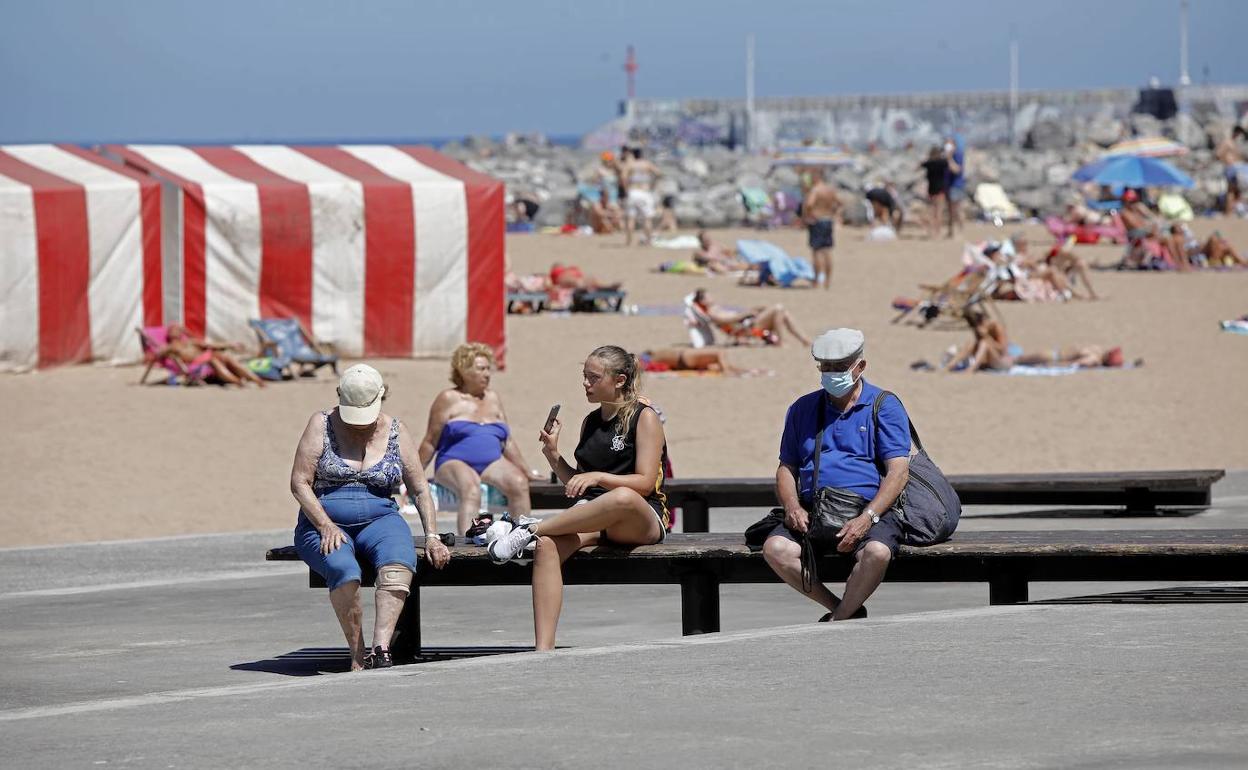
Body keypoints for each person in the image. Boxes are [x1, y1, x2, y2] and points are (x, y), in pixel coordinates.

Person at [486, 345, 670, 650]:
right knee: (547, 547)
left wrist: (598, 477)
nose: (585, 383)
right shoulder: (591, 422)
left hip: (641, 517)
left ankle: (529, 529)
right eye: (584, 376)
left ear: (620, 380)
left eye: (593, 378)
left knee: (622, 496)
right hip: (596, 515)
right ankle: (542, 650)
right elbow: (578, 483)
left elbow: (646, 483)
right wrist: (553, 455)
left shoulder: (644, 417)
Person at [290, 364, 450, 670]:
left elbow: (419, 489)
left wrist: (432, 535)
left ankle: (381, 646)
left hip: (379, 516)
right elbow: (299, 482)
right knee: (343, 568)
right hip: (325, 516)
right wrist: (324, 524)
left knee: (398, 561)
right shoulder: (320, 424)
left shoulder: (395, 430)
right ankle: (357, 652)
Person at [760, 329, 913, 621]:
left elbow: (898, 472)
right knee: (775, 548)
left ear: (861, 366)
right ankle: (840, 608)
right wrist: (792, 507)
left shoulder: (884, 405)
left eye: (840, 367)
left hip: (871, 509)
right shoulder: (803, 408)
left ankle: (841, 616)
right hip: (814, 508)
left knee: (877, 553)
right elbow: (786, 467)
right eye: (826, 367)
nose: (832, 374)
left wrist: (867, 518)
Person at [419, 343, 544, 535]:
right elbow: (430, 440)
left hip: (492, 461)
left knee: (519, 482)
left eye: (488, 369)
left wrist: (526, 470)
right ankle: (467, 546)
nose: (487, 374)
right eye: (481, 369)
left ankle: (520, 537)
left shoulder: (493, 398)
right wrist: (415, 474)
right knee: (471, 488)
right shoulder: (448, 398)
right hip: (453, 461)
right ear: (464, 370)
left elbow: (507, 440)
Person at [692, 288, 812, 346]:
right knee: (778, 309)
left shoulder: (717, 308)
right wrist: (747, 313)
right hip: (745, 329)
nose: (712, 297)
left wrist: (754, 310)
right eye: (708, 296)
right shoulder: (712, 313)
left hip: (747, 324)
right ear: (702, 301)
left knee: (782, 312)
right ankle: (781, 341)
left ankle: (803, 339)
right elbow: (729, 320)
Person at [161, 324, 265, 387]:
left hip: (208, 356)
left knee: (226, 358)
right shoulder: (169, 347)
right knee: (213, 360)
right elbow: (154, 356)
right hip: (197, 364)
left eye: (179, 329)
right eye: (173, 329)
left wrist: (231, 344)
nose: (176, 331)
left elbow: (211, 345)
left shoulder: (190, 342)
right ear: (169, 333)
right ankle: (237, 381)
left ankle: (256, 380)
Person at [802, 169, 841, 290]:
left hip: (817, 220)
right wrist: (834, 214)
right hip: (828, 220)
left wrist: (808, 215)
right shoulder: (829, 190)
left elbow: (809, 204)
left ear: (816, 178)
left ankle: (816, 281)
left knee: (817, 252)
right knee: (827, 251)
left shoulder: (815, 190)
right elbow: (839, 203)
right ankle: (827, 282)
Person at [621, 147, 661, 246]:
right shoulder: (647, 164)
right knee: (647, 218)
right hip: (645, 191)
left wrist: (626, 189)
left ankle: (629, 242)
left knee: (631, 218)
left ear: (633, 155)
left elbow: (623, 177)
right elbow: (658, 173)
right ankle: (649, 241)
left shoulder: (630, 165)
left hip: (633, 191)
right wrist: (653, 185)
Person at [1166, 224, 1246, 269]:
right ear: (1174, 231)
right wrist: (1180, 263)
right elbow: (1181, 252)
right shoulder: (1176, 238)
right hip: (1196, 254)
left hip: (1202, 251)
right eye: (1178, 227)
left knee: (1227, 246)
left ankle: (1243, 262)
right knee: (1213, 238)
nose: (1181, 228)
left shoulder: (1186, 237)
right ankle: (1215, 261)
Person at [920, 146, 951, 239]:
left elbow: (920, 165)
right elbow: (950, 165)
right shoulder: (942, 162)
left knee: (932, 212)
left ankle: (932, 231)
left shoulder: (929, 163)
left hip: (931, 190)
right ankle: (937, 232)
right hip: (940, 190)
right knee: (939, 212)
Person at [640, 347, 740, 374]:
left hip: (682, 362)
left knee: (718, 364)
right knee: (720, 353)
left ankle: (735, 370)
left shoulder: (656, 357)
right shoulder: (657, 354)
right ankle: (728, 372)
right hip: (683, 357)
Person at [944, 134, 966, 236]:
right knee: (950, 209)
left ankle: (959, 230)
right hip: (948, 185)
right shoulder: (946, 155)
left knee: (956, 209)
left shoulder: (957, 155)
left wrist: (949, 158)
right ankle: (952, 230)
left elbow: (957, 170)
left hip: (956, 185)